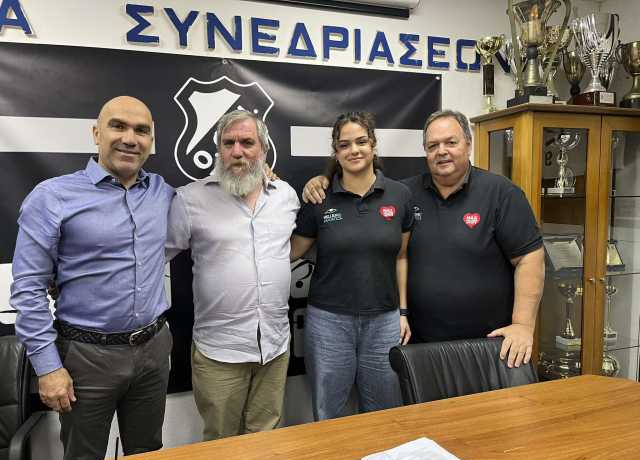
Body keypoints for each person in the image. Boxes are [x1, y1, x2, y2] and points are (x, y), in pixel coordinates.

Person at [302, 109, 544, 369]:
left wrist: (522, 325)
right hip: (419, 343)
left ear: (468, 144)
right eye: (433, 145)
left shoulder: (501, 193)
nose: (442, 151)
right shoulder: (403, 194)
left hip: (488, 344)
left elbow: (530, 258)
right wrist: (322, 181)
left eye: (451, 142)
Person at [10, 96, 174, 460]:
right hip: (86, 358)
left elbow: (220, 195)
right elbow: (28, 289)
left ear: (151, 141)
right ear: (96, 133)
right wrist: (48, 367)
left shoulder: (162, 192)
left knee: (148, 458)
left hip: (153, 351)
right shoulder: (52, 197)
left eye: (141, 130)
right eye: (118, 126)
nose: (130, 138)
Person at [166, 110, 299, 441]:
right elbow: (153, 258)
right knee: (221, 446)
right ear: (219, 150)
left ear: (263, 150)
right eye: (228, 143)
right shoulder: (190, 199)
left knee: (265, 440)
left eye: (247, 143)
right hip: (219, 353)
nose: (237, 151)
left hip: (274, 347)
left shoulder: (286, 196)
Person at [290, 112, 412, 421]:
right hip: (329, 322)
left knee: (384, 414)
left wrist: (403, 312)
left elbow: (401, 256)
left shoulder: (399, 195)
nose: (354, 150)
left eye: (361, 142)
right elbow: (291, 251)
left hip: (384, 322)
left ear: (373, 145)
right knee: (328, 412)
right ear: (336, 151)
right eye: (345, 145)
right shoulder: (319, 197)